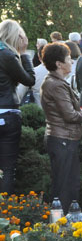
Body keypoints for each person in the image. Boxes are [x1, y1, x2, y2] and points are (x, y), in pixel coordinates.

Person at [40, 43, 82, 214]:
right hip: (63, 139)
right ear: (59, 64)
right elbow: (70, 115)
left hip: (63, 138)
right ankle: (62, 222)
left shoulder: (56, 82)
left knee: (68, 184)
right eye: (69, 59)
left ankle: (65, 220)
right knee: (64, 187)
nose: (72, 62)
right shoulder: (56, 84)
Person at [0, 19, 35, 194]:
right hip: (8, 112)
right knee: (8, 168)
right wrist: (24, 54)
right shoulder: (7, 55)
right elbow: (29, 80)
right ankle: (5, 208)